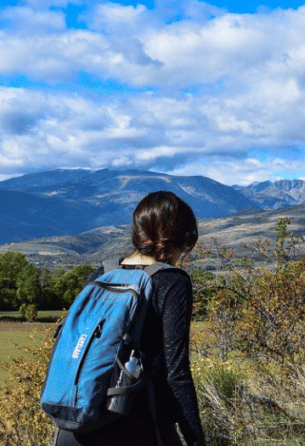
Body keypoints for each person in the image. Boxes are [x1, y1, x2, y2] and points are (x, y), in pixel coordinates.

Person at [55, 191, 206, 446]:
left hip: (76, 425)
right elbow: (176, 373)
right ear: (175, 238)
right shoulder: (172, 281)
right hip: (138, 425)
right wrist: (196, 440)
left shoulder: (101, 273)